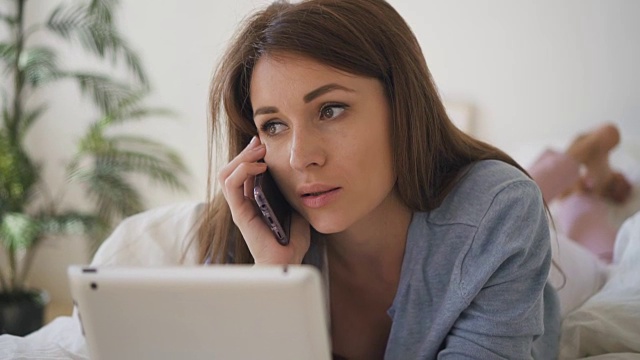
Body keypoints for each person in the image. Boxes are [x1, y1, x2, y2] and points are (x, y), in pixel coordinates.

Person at [8, 0, 636, 359]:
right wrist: (277, 279)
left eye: (330, 110)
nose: (301, 156)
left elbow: (501, 212)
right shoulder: (266, 238)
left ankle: (590, 152)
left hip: (549, 255)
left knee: (562, 200)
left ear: (403, 104)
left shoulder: (496, 214)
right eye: (273, 126)